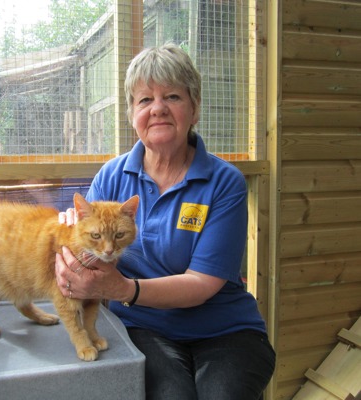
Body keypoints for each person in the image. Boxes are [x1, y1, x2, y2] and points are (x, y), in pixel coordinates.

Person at [55, 43, 275, 400]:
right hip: (144, 326)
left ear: (194, 108)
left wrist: (124, 290)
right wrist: (67, 240)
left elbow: (203, 283)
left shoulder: (224, 181)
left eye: (171, 96)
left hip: (225, 330)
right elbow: (80, 239)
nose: (157, 108)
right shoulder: (113, 175)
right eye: (144, 100)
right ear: (132, 114)